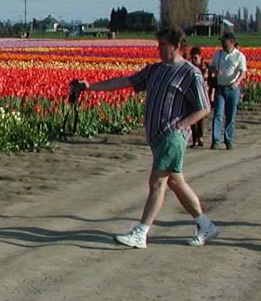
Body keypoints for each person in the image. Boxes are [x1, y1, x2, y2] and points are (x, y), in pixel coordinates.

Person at [69, 26, 217, 249]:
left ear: (176, 46)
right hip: (157, 138)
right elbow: (125, 82)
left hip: (171, 137)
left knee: (157, 183)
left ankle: (141, 232)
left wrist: (179, 126)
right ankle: (206, 225)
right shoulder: (155, 70)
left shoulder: (190, 73)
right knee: (176, 183)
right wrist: (89, 87)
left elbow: (204, 107)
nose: (158, 48)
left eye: (162, 45)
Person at [209, 31, 247, 149]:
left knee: (230, 115)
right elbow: (211, 66)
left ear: (231, 42)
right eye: (221, 42)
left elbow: (243, 71)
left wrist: (237, 82)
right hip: (220, 88)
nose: (222, 44)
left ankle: (228, 139)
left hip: (233, 88)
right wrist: (215, 70)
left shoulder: (239, 56)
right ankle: (216, 140)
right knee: (218, 114)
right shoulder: (218, 54)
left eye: (224, 41)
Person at [186, 46, 206, 146]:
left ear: (200, 57)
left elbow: (207, 82)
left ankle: (200, 137)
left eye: (196, 58)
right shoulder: (190, 68)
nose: (194, 60)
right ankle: (195, 139)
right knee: (193, 117)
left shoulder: (204, 68)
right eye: (192, 58)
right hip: (192, 95)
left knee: (201, 117)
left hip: (202, 95)